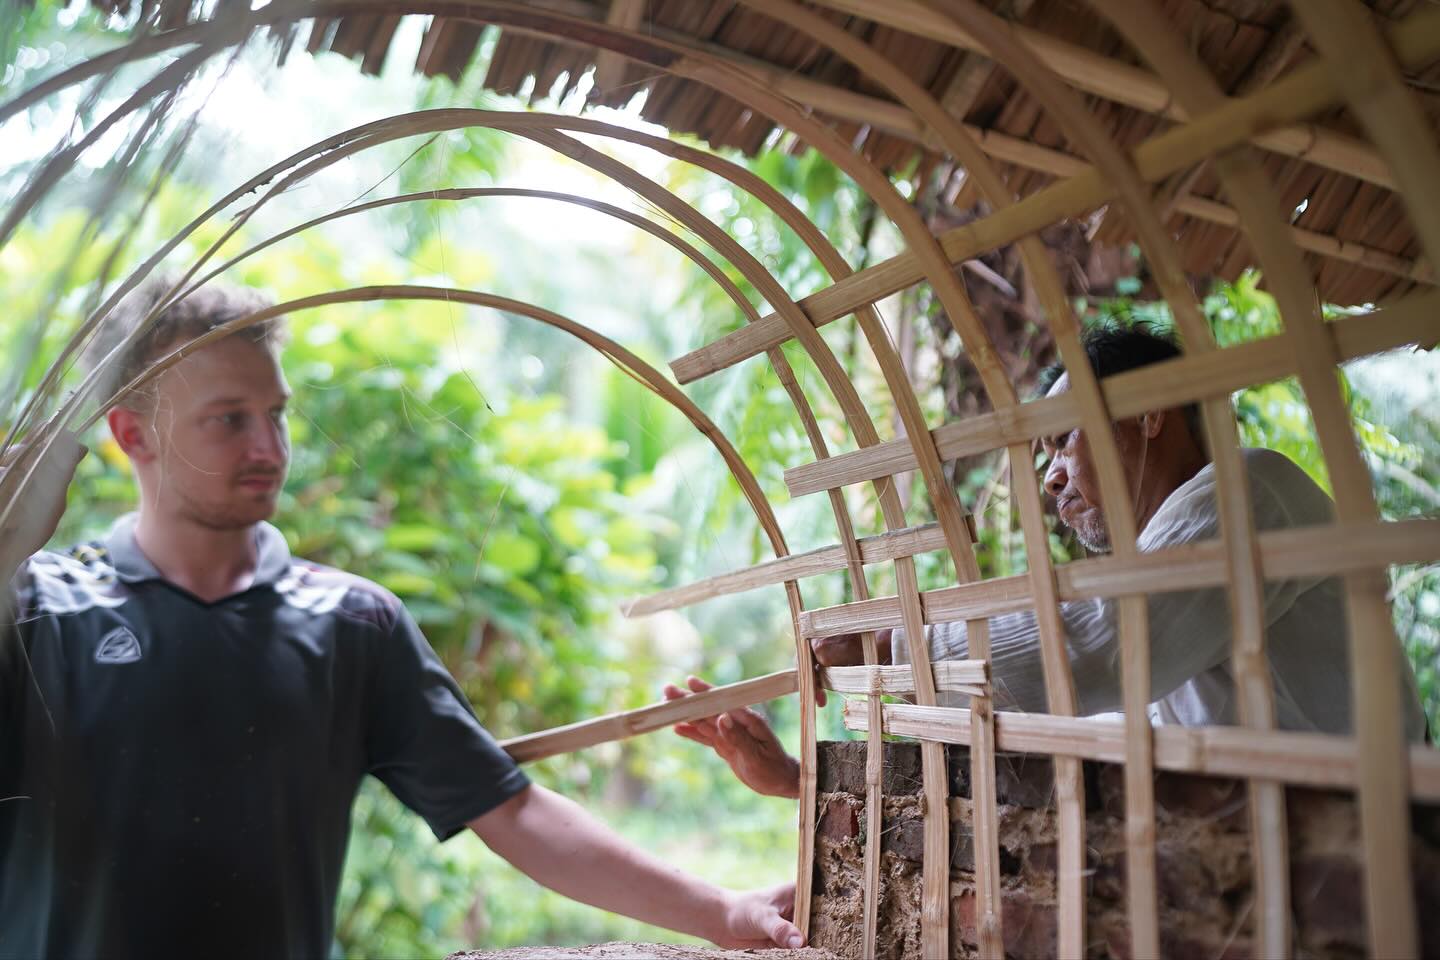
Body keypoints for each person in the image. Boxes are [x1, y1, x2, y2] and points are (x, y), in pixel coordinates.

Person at [0, 280, 803, 957]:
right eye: (229, 418)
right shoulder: (41, 612)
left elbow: (512, 810)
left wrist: (723, 913)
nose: (271, 445)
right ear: (131, 434)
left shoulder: (350, 625)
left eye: (276, 413)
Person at [666, 323, 1428, 800]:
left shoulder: (1246, 489)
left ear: (1148, 414)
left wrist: (899, 644)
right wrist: (801, 787)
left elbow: (1096, 652)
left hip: (1365, 855)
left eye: (1063, 439)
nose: (1051, 474)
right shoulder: (1172, 591)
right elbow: (1056, 746)